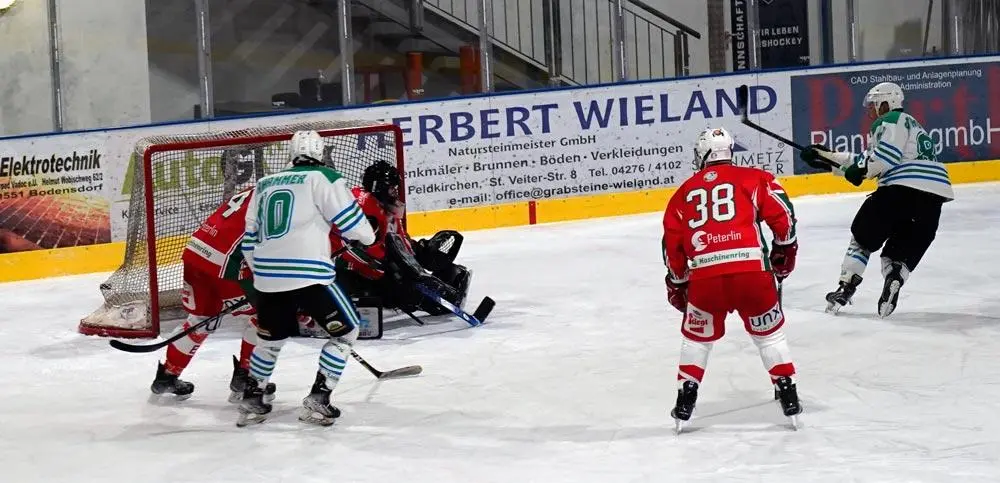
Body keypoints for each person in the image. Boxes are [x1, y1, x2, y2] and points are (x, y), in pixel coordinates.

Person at [662, 127, 801, 431]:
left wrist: (678, 282)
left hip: (706, 278)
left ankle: (686, 397)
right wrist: (784, 249)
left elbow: (672, 245)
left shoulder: (683, 192)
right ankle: (787, 389)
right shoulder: (755, 178)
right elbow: (783, 216)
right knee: (770, 337)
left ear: (703, 155)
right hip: (753, 273)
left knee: (696, 340)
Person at [238, 130, 376, 427]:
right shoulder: (324, 177)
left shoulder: (263, 184)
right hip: (311, 276)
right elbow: (357, 228)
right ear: (320, 153)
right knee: (346, 333)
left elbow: (247, 241)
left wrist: (265, 274)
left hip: (267, 277)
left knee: (270, 340)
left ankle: (253, 395)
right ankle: (320, 397)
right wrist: (368, 236)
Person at [800, 82, 953, 317]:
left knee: (862, 240)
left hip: (900, 192)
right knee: (897, 255)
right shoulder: (912, 127)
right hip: (932, 200)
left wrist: (862, 172)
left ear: (886, 103)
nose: (870, 110)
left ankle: (845, 288)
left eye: (873, 105)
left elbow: (884, 158)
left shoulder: (890, 120)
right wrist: (825, 157)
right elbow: (864, 160)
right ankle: (895, 277)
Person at [149, 186, 275, 403]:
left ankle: (167, 376)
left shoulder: (259, 187)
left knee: (201, 320)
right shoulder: (286, 197)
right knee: (263, 317)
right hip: (227, 264)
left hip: (196, 251)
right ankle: (246, 378)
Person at [333, 161, 471, 318]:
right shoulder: (364, 209)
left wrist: (417, 255)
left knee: (410, 274)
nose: (395, 192)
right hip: (349, 273)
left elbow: (400, 239)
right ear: (379, 187)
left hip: (371, 268)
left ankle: (443, 284)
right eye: (391, 188)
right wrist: (387, 267)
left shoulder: (384, 206)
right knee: (403, 292)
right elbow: (346, 247)